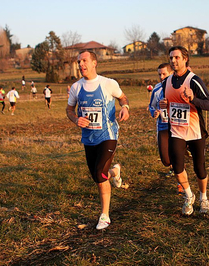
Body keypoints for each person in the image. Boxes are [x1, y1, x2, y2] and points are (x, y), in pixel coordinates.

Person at [66, 50, 130, 230]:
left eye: (84, 61)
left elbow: (122, 97)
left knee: (100, 174)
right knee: (98, 176)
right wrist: (75, 119)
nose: (81, 65)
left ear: (94, 63)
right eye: (79, 62)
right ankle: (115, 172)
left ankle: (105, 216)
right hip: (88, 138)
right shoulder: (76, 87)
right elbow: (69, 110)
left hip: (108, 136)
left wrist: (125, 107)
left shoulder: (108, 83)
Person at [159, 46, 209, 216]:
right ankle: (189, 196)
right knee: (177, 166)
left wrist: (194, 99)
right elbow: (168, 102)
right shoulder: (166, 82)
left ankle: (203, 198)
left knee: (199, 168)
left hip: (195, 131)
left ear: (185, 59)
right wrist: (163, 105)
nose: (173, 61)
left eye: (176, 57)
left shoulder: (193, 80)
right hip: (176, 130)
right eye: (171, 58)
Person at [149, 63, 174, 175]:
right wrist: (154, 112)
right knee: (165, 160)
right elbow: (152, 106)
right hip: (163, 125)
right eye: (160, 74)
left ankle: (180, 180)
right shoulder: (157, 89)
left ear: (171, 73)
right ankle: (173, 164)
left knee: (176, 154)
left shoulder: (177, 88)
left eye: (164, 74)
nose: (162, 77)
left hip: (177, 126)